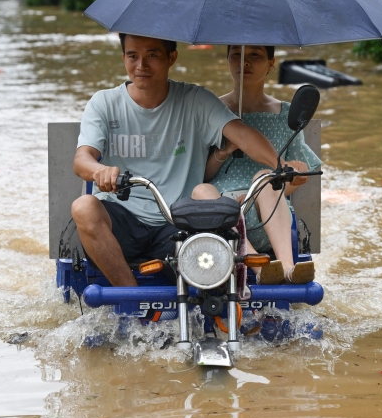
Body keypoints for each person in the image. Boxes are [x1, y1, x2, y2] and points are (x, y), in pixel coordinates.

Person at [72, 34, 288, 287]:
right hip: (122, 219)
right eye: (132, 56)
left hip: (178, 222)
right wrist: (100, 170)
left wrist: (279, 166)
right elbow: (82, 159)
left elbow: (241, 134)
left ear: (171, 58)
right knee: (83, 207)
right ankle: (131, 299)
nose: (141, 65)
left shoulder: (195, 100)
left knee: (211, 260)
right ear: (124, 58)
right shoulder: (104, 103)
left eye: (152, 55)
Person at [194, 45, 321, 284]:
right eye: (236, 56)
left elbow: (302, 172)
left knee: (264, 176)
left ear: (271, 63)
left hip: (271, 213)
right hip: (221, 214)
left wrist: (290, 177)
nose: (245, 63)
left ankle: (287, 268)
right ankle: (258, 266)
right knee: (200, 191)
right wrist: (225, 150)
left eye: (255, 56)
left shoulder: (285, 115)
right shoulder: (211, 111)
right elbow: (199, 174)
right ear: (227, 59)